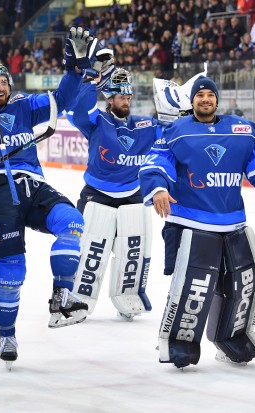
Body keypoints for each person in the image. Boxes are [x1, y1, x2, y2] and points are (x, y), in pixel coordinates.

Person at [0, 27, 93, 367]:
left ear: (9, 85)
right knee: (11, 271)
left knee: (72, 222)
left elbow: (64, 100)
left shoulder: (25, 105)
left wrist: (74, 69)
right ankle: (6, 333)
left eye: (2, 82)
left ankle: (62, 296)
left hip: (32, 185)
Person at [139, 77, 255, 369]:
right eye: (199, 95)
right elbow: (157, 162)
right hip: (191, 221)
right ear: (191, 102)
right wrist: (158, 188)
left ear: (217, 100)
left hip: (231, 222)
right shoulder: (176, 130)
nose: (205, 99)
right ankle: (179, 341)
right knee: (193, 288)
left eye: (210, 95)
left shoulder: (241, 129)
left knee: (242, 284)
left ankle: (231, 338)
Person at [66, 66, 161, 321]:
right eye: (121, 97)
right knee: (90, 249)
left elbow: (170, 132)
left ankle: (128, 295)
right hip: (97, 193)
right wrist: (90, 82)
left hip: (132, 194)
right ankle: (79, 297)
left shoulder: (143, 124)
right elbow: (78, 111)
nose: (126, 102)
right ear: (110, 99)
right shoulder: (98, 121)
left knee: (133, 249)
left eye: (129, 97)